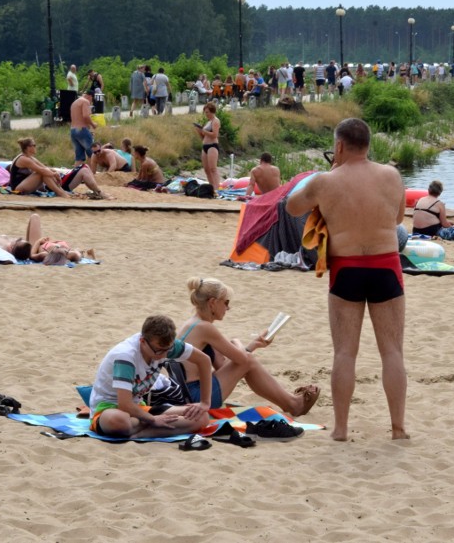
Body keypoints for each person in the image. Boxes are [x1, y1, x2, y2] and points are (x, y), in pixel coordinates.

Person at [286, 117, 409, 441]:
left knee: (345, 353)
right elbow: (397, 218)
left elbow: (292, 207)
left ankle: (341, 429)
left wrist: (320, 179)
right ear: (368, 145)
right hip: (386, 266)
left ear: (338, 145)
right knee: (392, 352)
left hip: (346, 269)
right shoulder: (392, 175)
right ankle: (398, 428)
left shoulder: (324, 181)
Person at [174, 277, 320, 416]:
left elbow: (224, 366)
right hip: (196, 398)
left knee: (247, 360)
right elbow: (243, 360)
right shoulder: (205, 328)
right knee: (248, 360)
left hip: (186, 394)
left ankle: (290, 401)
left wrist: (254, 344)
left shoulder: (193, 324)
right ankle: (293, 404)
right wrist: (237, 342)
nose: (228, 307)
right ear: (212, 302)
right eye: (226, 302)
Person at [89, 315, 212, 439]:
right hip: (108, 409)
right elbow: (124, 405)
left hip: (138, 409)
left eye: (167, 350)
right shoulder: (125, 356)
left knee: (202, 417)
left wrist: (205, 402)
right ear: (142, 341)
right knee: (118, 421)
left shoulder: (165, 346)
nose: (163, 355)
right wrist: (153, 420)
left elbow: (204, 361)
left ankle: (141, 433)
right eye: (158, 351)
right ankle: (149, 427)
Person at [195, 101, 221, 192]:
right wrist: (199, 131)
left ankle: (217, 188)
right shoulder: (208, 122)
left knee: (213, 168)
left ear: (212, 111)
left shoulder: (215, 121)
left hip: (212, 146)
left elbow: (214, 134)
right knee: (206, 169)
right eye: (205, 112)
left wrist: (204, 131)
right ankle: (211, 187)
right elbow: (203, 136)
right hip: (205, 145)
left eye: (207, 112)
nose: (206, 114)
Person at [70, 89, 98, 165]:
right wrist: (93, 124)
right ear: (90, 96)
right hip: (82, 130)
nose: (91, 101)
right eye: (92, 98)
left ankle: (76, 175)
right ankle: (91, 174)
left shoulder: (75, 102)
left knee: (79, 157)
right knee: (92, 154)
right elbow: (85, 116)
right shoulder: (85, 101)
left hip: (73, 130)